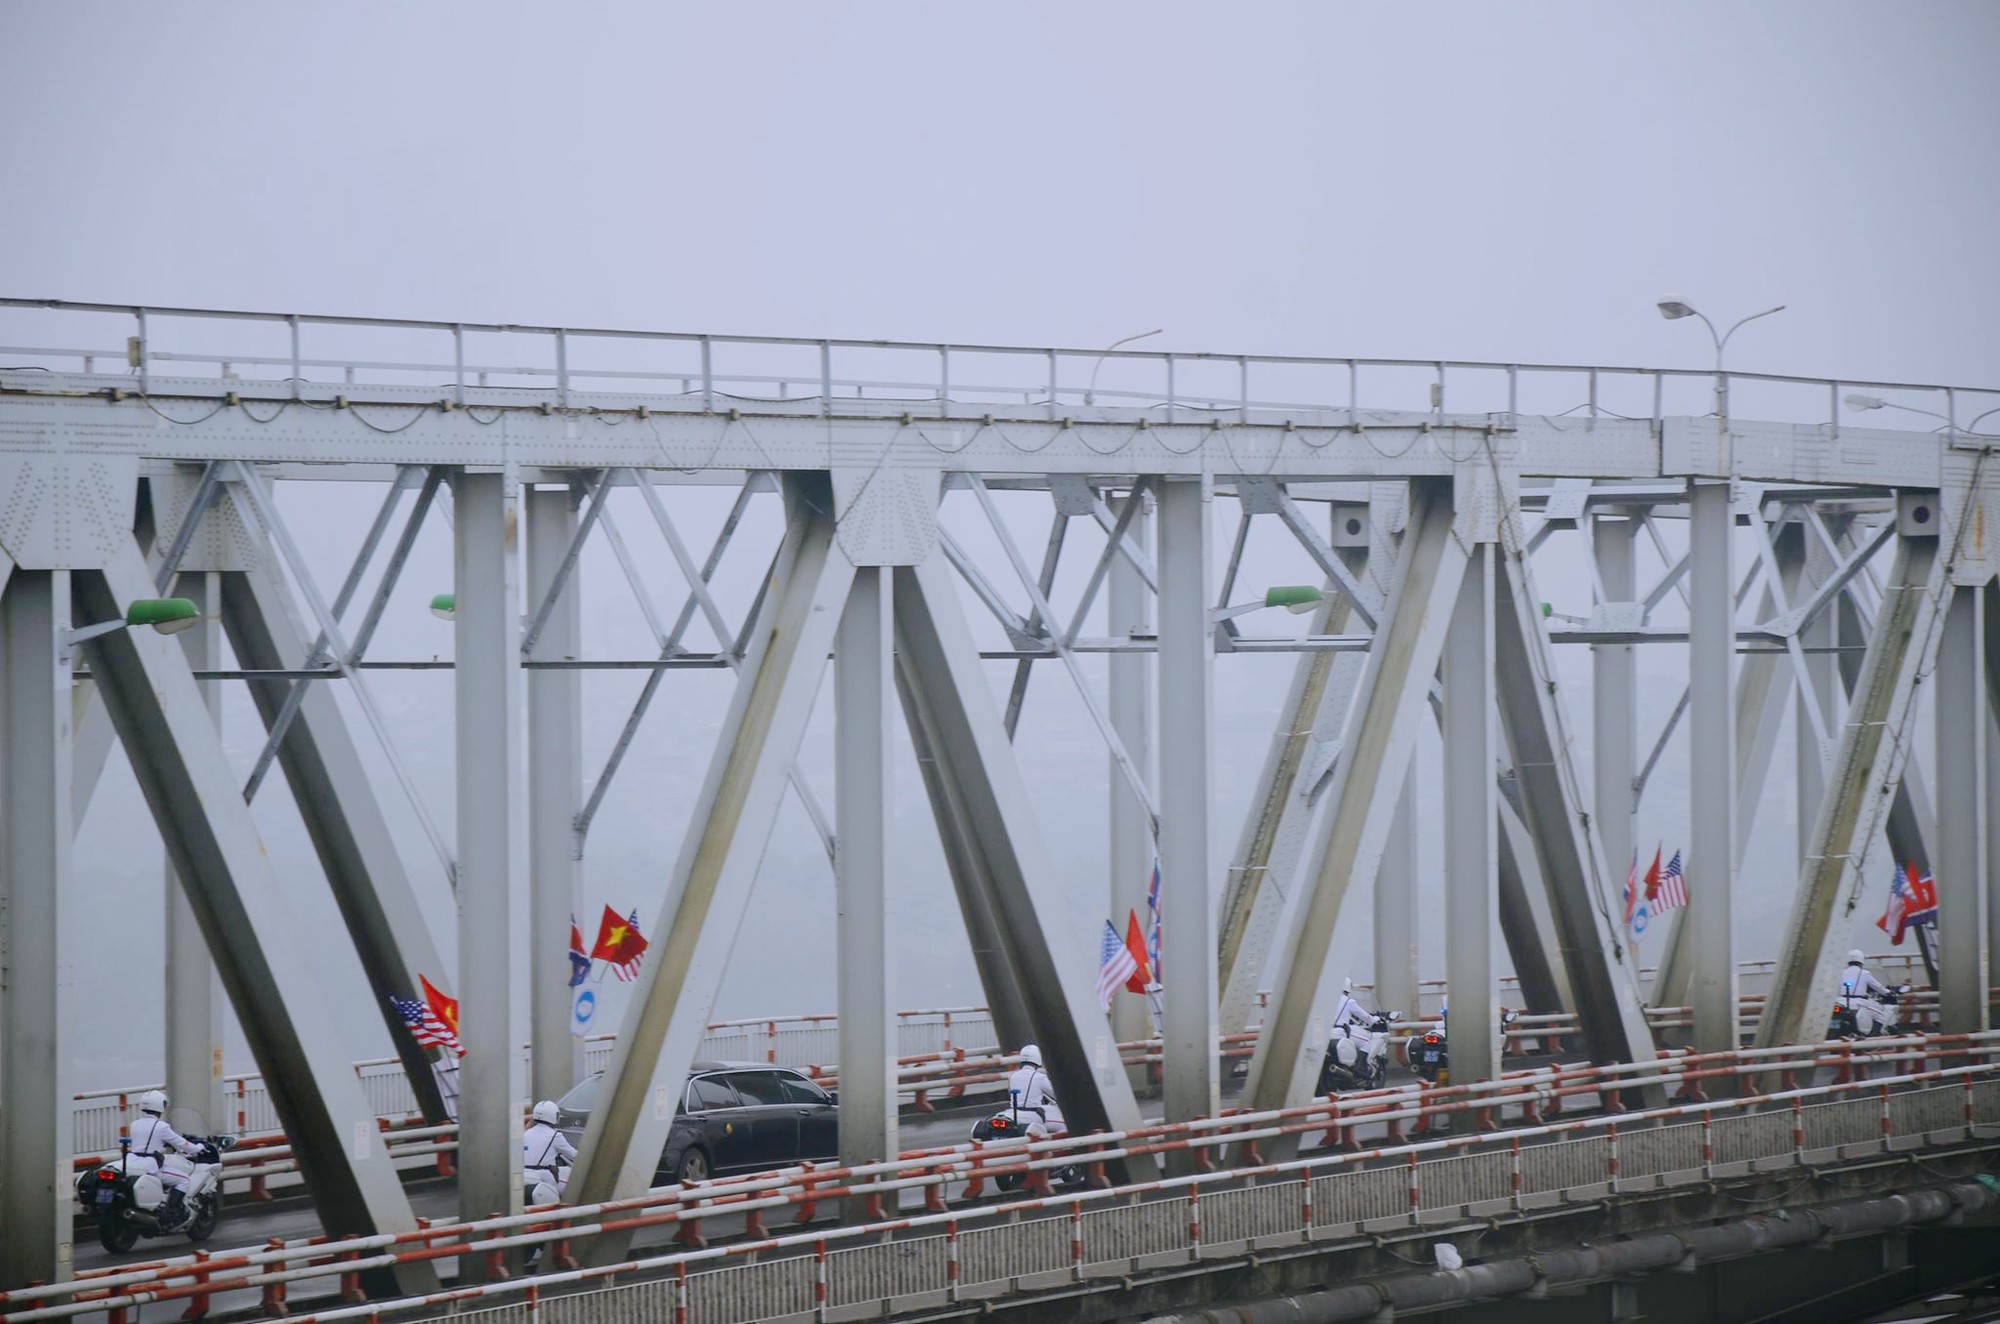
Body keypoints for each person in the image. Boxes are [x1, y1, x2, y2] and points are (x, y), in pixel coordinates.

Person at [129, 1089, 200, 1219]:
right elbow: (182, 1144)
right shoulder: (161, 1126)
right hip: (150, 1165)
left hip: (133, 1162)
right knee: (184, 1180)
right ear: (160, 1105)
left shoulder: (134, 1124)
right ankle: (170, 1212)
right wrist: (197, 1148)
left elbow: (145, 1142)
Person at [523, 1100, 578, 1201]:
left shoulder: (526, 1133)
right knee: (571, 1185)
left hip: (525, 1173)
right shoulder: (555, 1136)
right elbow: (574, 1156)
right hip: (544, 1176)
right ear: (553, 1116)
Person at [1006, 1044, 1065, 1136]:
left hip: (1014, 1112)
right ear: (1038, 1058)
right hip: (1032, 1115)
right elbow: (1058, 1095)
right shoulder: (1040, 1077)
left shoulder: (1013, 1076)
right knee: (1065, 1125)